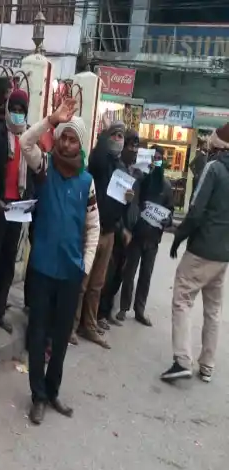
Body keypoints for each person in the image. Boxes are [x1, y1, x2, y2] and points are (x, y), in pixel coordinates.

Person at [19, 98, 99, 425]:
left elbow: (93, 227)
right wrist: (51, 121)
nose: (65, 142)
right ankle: (37, 394)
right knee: (37, 335)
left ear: (80, 144)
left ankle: (52, 391)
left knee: (61, 336)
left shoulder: (87, 182)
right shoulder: (46, 167)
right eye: (62, 136)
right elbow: (25, 142)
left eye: (71, 138)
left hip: (70, 273)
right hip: (41, 269)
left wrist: (86, 266)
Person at [162, 124, 229, 384]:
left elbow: (196, 209)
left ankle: (182, 360)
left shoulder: (214, 169)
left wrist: (178, 238)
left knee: (182, 298)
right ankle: (208, 365)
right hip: (223, 255)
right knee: (213, 309)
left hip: (202, 249)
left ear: (217, 145)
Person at [70, 121, 134, 349]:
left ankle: (89, 324)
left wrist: (127, 203)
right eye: (114, 135)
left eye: (121, 136)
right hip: (92, 230)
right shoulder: (98, 160)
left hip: (109, 233)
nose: (118, 140)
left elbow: (120, 203)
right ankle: (71, 326)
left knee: (97, 284)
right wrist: (103, 140)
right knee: (82, 282)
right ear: (106, 137)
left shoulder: (122, 169)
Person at [0, 86, 33, 337]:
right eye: (13, 109)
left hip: (18, 210)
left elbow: (33, 174)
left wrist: (28, 200)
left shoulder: (28, 140)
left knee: (8, 264)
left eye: (21, 110)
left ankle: (0, 311)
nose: (16, 114)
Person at [116, 145, 173, 327]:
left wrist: (167, 220)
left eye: (158, 158)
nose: (155, 161)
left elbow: (170, 211)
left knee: (146, 275)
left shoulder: (166, 186)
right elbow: (131, 202)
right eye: (153, 158)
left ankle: (139, 310)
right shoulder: (140, 181)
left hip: (153, 239)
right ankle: (123, 308)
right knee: (129, 273)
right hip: (137, 235)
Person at [98, 129, 141, 329]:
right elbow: (114, 202)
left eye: (136, 146)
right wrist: (122, 228)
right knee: (107, 275)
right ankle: (100, 314)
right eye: (131, 145)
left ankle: (107, 312)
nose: (134, 150)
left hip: (131, 231)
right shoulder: (117, 170)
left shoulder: (136, 172)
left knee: (119, 276)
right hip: (116, 229)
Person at [189, 139, 207, 204]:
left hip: (201, 178)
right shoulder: (199, 154)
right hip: (197, 178)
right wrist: (195, 174)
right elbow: (191, 164)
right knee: (194, 193)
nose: (206, 146)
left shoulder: (205, 155)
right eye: (205, 145)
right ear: (201, 146)